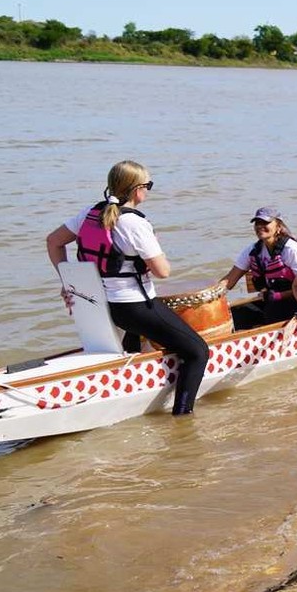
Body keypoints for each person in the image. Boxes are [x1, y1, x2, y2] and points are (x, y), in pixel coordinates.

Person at [45, 160, 210, 416]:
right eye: (149, 185)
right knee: (198, 351)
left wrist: (70, 283)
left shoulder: (90, 213)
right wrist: (154, 245)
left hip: (102, 306)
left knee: (136, 342)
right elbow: (163, 271)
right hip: (134, 307)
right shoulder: (135, 224)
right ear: (137, 190)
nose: (149, 191)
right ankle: (182, 416)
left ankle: (129, 396)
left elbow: (54, 242)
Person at [219, 207, 297, 330]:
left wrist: (279, 296)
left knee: (273, 310)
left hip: (296, 301)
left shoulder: (291, 250)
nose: (260, 226)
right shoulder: (252, 251)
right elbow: (229, 281)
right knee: (235, 314)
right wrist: (207, 296)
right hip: (271, 300)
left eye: (265, 222)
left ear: (278, 226)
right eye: (257, 223)